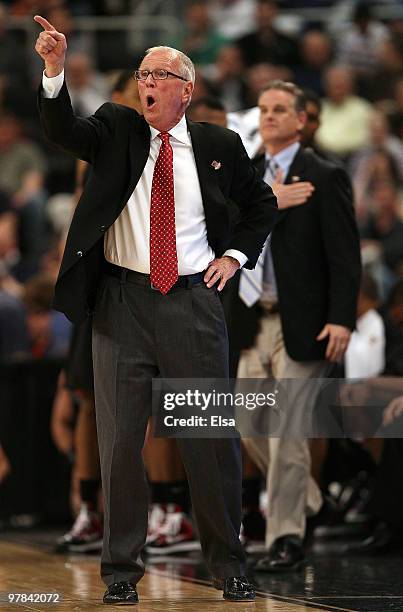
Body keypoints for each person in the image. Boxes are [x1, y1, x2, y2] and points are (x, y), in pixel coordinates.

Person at [34, 15, 277, 605]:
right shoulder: (117, 127)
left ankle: (230, 567)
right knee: (120, 442)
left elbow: (261, 204)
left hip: (194, 301)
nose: (147, 82)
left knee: (208, 440)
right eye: (143, 73)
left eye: (160, 74)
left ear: (185, 89)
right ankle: (120, 572)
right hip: (121, 302)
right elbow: (64, 129)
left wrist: (236, 257)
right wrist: (54, 70)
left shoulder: (219, 144)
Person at [226, 80, 361, 571]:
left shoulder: (325, 175)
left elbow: (345, 257)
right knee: (245, 424)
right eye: (263, 109)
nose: (269, 117)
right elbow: (222, 233)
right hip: (251, 316)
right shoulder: (248, 175)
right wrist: (269, 200)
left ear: (302, 120)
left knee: (287, 429)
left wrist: (341, 318)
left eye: (280, 109)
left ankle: (286, 538)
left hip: (302, 322)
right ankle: (313, 501)